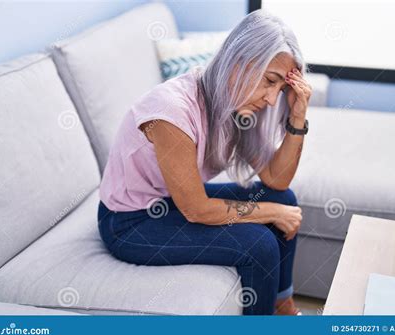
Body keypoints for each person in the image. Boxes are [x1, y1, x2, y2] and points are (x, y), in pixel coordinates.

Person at [98, 9, 312, 315]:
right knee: (260, 243)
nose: (270, 99)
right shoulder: (171, 111)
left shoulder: (239, 108)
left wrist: (297, 117)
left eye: (280, 89)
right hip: (130, 222)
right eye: (270, 81)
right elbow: (195, 208)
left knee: (283, 197)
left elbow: (277, 180)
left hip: (172, 201)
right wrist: (272, 213)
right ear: (239, 61)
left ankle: (283, 305)